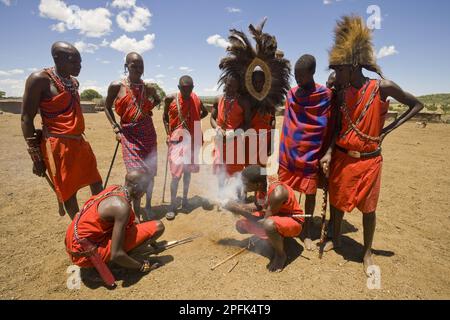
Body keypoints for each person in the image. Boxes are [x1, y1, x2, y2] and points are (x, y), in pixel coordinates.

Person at [320, 15, 424, 275]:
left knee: (369, 208)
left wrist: (388, 129)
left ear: (354, 64)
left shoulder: (382, 88)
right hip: (343, 158)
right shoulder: (341, 93)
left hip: (370, 160)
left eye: (339, 69)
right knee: (336, 201)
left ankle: (367, 252)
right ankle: (336, 237)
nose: (335, 74)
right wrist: (330, 153)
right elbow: (336, 128)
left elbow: (416, 105)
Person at [21, 41, 102, 219]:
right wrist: (36, 158)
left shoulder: (73, 82)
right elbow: (26, 117)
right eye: (74, 62)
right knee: (68, 192)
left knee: (96, 182)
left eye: (80, 62)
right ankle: (82, 232)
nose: (79, 66)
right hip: (57, 147)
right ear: (57, 58)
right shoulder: (39, 80)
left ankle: (100, 220)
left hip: (79, 142)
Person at [278, 54, 333, 250]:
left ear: (312, 73)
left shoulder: (324, 95)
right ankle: (286, 224)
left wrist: (328, 151)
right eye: (296, 76)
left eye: (301, 76)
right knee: (285, 191)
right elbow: (289, 122)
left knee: (310, 194)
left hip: (311, 153)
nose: (298, 80)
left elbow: (330, 125)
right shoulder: (292, 94)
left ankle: (307, 230)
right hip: (289, 154)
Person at [65, 170, 165, 273]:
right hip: (84, 253)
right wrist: (142, 266)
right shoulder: (122, 207)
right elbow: (116, 254)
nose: (145, 192)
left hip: (74, 243)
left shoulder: (114, 189)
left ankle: (122, 255)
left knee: (135, 224)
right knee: (158, 226)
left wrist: (147, 238)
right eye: (145, 188)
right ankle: (121, 263)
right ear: (136, 186)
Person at [105, 52, 161, 221]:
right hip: (129, 136)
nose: (138, 69)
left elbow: (157, 99)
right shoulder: (116, 86)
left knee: (150, 173)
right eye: (134, 65)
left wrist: (147, 108)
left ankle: (148, 205)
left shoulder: (148, 88)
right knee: (135, 175)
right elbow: (107, 108)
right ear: (126, 66)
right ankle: (136, 211)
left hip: (148, 135)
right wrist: (116, 128)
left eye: (141, 66)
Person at [224, 165, 305, 272]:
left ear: (257, 184)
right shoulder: (262, 184)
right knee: (241, 225)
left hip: (294, 221)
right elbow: (258, 205)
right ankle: (276, 238)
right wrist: (238, 206)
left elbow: (263, 222)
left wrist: (239, 210)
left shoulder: (277, 193)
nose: (242, 185)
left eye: (245, 183)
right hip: (276, 216)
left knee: (268, 225)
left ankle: (280, 255)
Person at [163, 76, 208, 220]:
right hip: (177, 142)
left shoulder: (196, 99)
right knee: (176, 175)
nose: (187, 91)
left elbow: (205, 112)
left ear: (193, 88)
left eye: (190, 88)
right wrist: (168, 134)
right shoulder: (170, 100)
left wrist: (193, 121)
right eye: (184, 89)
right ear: (179, 87)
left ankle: (185, 199)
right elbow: (165, 117)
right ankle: (172, 205)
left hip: (192, 141)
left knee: (187, 172)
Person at [210, 75, 251, 197]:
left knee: (237, 170)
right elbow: (212, 117)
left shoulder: (243, 102)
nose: (230, 88)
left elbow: (247, 123)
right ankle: (221, 193)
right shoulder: (218, 99)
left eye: (233, 86)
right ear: (224, 83)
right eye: (228, 85)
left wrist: (234, 133)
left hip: (235, 141)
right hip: (220, 140)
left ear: (238, 87)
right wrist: (217, 128)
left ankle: (239, 195)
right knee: (220, 166)